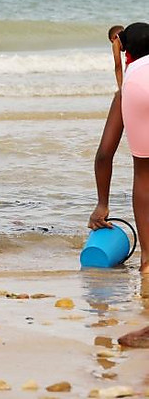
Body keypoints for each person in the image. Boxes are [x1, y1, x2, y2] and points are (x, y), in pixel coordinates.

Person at [89, 22, 149, 273]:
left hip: (137, 92)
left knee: (144, 173)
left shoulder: (129, 80)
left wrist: (102, 204)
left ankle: (147, 260)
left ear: (126, 52)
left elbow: (105, 154)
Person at [109, 24, 124, 89]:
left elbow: (118, 65)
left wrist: (120, 89)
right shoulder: (131, 37)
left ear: (113, 39)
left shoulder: (116, 40)